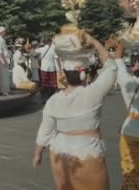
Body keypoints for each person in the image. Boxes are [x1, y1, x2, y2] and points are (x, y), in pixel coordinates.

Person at [33, 33, 116, 190]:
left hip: (59, 154)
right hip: (87, 152)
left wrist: (37, 155)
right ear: (83, 74)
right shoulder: (93, 93)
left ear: (64, 74)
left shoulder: (53, 101)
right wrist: (93, 41)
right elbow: (111, 66)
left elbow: (45, 132)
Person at [115, 44, 139, 188]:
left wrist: (123, 41)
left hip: (129, 132)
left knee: (129, 172)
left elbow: (117, 58)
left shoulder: (126, 82)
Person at [0, 26, 11, 95]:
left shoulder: (2, 40)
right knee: (3, 75)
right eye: (4, 31)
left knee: (5, 75)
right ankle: (4, 91)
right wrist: (3, 61)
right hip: (1, 60)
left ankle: (5, 90)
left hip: (5, 59)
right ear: (1, 32)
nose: (5, 33)